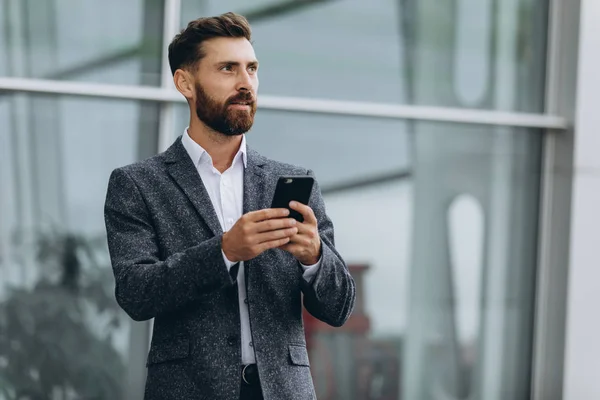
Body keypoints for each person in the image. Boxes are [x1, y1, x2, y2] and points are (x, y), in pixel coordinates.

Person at [104, 12, 355, 400]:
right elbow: (137, 294)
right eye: (227, 69)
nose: (245, 83)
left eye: (251, 69)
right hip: (188, 389)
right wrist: (224, 251)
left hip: (284, 392)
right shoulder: (137, 184)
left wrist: (314, 257)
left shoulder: (289, 181)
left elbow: (339, 309)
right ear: (185, 82)